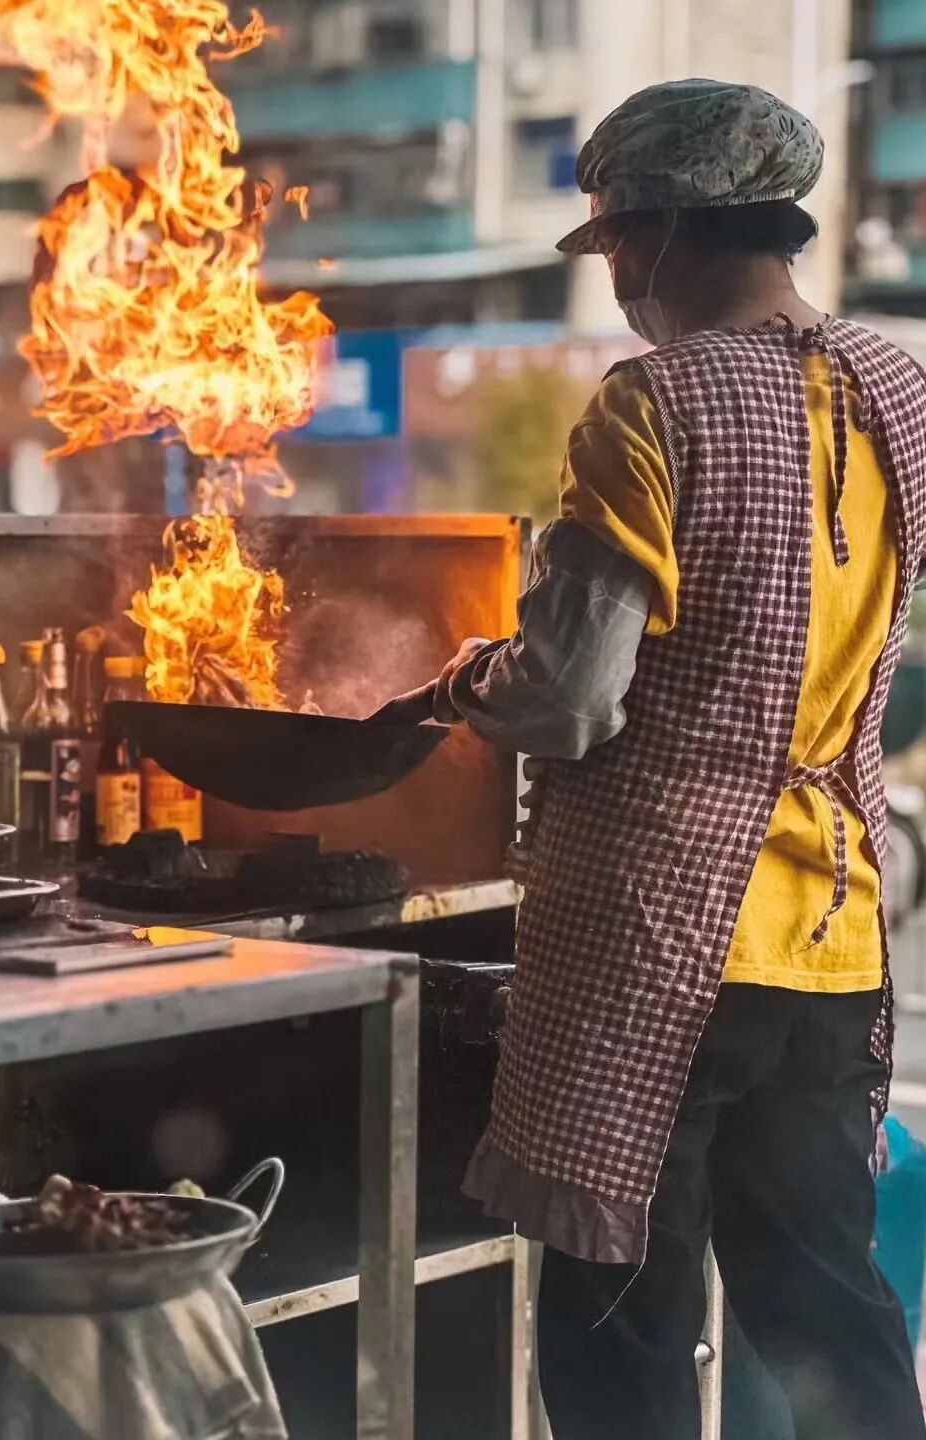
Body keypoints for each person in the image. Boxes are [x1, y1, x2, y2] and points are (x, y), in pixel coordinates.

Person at [415, 80, 926, 1439]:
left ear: (657, 233)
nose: (621, 280)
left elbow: (573, 701)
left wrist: (477, 687)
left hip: (654, 936)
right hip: (829, 930)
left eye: (616, 248)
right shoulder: (901, 389)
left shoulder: (650, 407)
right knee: (823, 1300)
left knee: (619, 1320)